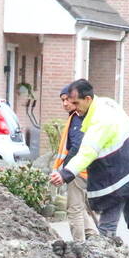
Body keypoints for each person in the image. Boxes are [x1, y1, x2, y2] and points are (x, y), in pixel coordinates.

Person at [48, 79, 129, 245]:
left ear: (88, 99)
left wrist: (65, 174)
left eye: (76, 102)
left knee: (106, 227)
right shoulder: (106, 103)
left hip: (119, 177)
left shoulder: (99, 120)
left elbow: (87, 151)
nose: (73, 106)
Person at [53, 84, 99, 241]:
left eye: (68, 99)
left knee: (74, 210)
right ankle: (94, 238)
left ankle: (79, 246)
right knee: (80, 208)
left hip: (77, 171)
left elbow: (78, 146)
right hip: (80, 170)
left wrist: (65, 172)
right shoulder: (76, 117)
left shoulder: (78, 119)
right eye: (62, 100)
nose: (65, 103)